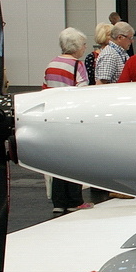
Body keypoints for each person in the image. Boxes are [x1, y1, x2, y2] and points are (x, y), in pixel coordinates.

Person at [43, 28, 93, 214]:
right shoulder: (77, 66)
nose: (85, 48)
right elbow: (83, 92)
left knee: (57, 161)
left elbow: (45, 88)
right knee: (73, 160)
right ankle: (74, 200)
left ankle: (58, 201)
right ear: (76, 47)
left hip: (53, 117)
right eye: (83, 45)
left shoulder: (52, 64)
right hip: (71, 118)